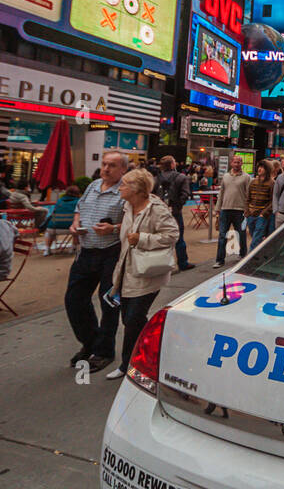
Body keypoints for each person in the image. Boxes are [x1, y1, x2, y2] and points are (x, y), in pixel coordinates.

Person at [104, 169, 179, 381]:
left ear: (136, 189)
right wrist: (113, 229)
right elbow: (129, 230)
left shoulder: (156, 209)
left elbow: (172, 234)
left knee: (133, 319)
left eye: (124, 184)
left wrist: (142, 239)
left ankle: (129, 364)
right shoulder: (128, 206)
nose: (120, 187)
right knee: (131, 319)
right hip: (127, 271)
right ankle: (155, 347)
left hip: (147, 273)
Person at [64, 151, 127, 372]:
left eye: (112, 165)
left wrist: (114, 228)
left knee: (108, 303)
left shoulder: (125, 191)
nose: (106, 169)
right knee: (74, 300)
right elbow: (79, 208)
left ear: (123, 170)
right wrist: (75, 224)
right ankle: (90, 342)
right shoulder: (93, 185)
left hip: (111, 253)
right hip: (86, 251)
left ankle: (103, 352)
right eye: (104, 164)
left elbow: (135, 220)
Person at [153, 156, 195, 271]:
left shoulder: (156, 178)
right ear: (172, 164)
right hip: (175, 212)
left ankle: (160, 265)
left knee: (159, 238)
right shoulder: (181, 177)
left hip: (159, 212)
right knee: (179, 237)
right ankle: (183, 262)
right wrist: (177, 206)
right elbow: (185, 194)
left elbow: (151, 195)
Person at [213, 154, 251, 268]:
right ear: (231, 163)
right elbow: (221, 194)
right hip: (225, 210)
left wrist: (247, 209)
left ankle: (243, 255)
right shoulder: (225, 176)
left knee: (241, 234)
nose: (237, 164)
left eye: (239, 162)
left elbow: (248, 195)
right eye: (235, 162)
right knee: (222, 235)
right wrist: (217, 209)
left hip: (240, 211)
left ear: (242, 164)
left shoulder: (246, 177)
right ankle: (220, 260)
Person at [43, 185, 81, 253]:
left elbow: (53, 214)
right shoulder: (79, 202)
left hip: (53, 228)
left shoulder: (59, 201)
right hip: (71, 229)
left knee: (48, 232)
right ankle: (73, 247)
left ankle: (47, 249)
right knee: (78, 227)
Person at [246, 162, 274, 249]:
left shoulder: (271, 183)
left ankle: (251, 258)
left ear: (267, 170)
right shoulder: (253, 182)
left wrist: (264, 213)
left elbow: (273, 201)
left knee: (257, 236)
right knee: (255, 236)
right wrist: (247, 211)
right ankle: (262, 252)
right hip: (251, 214)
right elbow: (247, 198)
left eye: (262, 167)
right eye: (259, 167)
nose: (259, 169)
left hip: (262, 215)